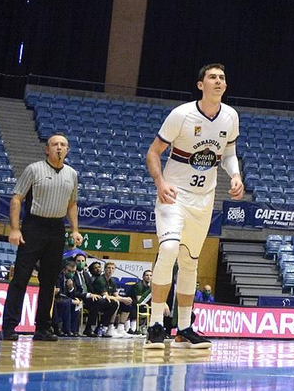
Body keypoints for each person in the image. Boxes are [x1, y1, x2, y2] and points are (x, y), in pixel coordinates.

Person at [144, 63, 244, 352]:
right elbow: (153, 152)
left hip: (204, 198)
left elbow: (229, 153)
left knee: (190, 261)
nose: (218, 81)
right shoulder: (182, 114)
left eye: (222, 78)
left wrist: (235, 175)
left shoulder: (230, 116)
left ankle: (185, 327)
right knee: (169, 249)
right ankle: (155, 324)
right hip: (175, 194)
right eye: (212, 77)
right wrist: (160, 182)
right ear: (201, 85)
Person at [1, 132, 82, 342]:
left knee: (49, 282)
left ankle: (43, 328)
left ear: (67, 150)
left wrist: (75, 230)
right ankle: (8, 327)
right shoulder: (33, 169)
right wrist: (15, 228)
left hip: (57, 229)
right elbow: (17, 199)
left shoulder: (72, 174)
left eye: (63, 144)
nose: (59, 147)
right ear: (47, 149)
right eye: (54, 144)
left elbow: (72, 204)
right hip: (33, 226)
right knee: (21, 278)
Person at [102, 261, 134, 336]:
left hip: (110, 300)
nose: (110, 270)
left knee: (127, 304)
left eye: (112, 268)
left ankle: (121, 328)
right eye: (108, 268)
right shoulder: (101, 279)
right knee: (116, 302)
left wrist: (125, 299)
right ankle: (110, 328)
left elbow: (116, 295)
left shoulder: (112, 281)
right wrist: (122, 299)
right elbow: (106, 296)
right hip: (101, 301)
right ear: (105, 269)